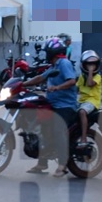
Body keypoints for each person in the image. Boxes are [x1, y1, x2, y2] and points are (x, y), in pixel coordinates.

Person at [22, 37, 78, 177]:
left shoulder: (64, 63)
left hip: (65, 106)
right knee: (43, 130)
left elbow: (71, 81)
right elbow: (40, 78)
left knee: (58, 130)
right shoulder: (53, 66)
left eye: (47, 52)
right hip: (53, 104)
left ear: (53, 52)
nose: (46, 54)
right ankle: (42, 163)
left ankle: (62, 165)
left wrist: (57, 87)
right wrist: (22, 84)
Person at [76, 49, 102, 156]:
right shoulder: (82, 77)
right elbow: (76, 88)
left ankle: (83, 138)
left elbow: (90, 83)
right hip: (82, 100)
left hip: (92, 101)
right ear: (84, 65)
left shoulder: (97, 77)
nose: (91, 66)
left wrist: (91, 71)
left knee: (82, 112)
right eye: (88, 64)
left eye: (93, 64)